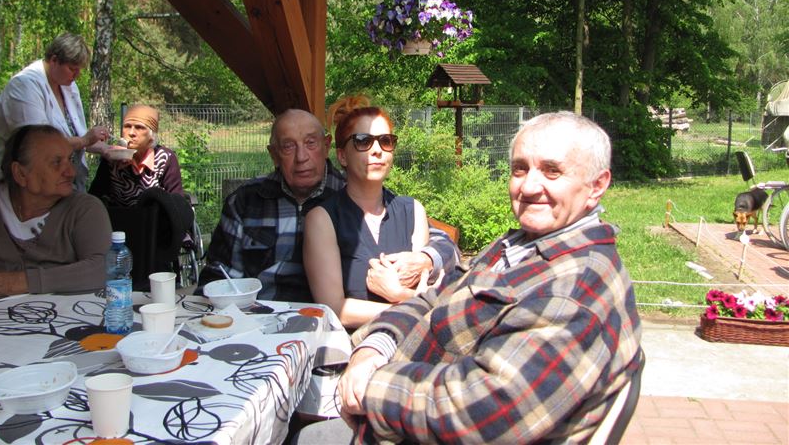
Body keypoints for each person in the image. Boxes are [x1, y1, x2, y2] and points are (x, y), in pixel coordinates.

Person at [330, 112, 642, 444]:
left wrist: (370, 387)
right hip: (398, 409)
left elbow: (484, 413)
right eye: (520, 169)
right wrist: (373, 348)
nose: (529, 187)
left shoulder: (574, 290)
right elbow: (436, 297)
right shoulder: (518, 245)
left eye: (552, 171)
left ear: (597, 186)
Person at [197, 109, 458, 303]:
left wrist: (427, 258)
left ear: (326, 146)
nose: (302, 157)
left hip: (326, 325)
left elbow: (439, 239)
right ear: (274, 155)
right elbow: (218, 277)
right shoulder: (247, 202)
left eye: (310, 143)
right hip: (259, 319)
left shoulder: (351, 193)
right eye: (288, 147)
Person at [304, 101, 437, 329]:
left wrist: (399, 295)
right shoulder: (322, 219)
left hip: (409, 339)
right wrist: (411, 304)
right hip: (349, 344)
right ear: (342, 156)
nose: (377, 150)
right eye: (363, 141)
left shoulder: (413, 211)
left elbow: (425, 287)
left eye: (386, 141)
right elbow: (334, 308)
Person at [0, 125, 112, 297]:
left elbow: (104, 268)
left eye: (70, 159)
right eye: (56, 162)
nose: (71, 172)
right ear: (21, 174)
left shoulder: (84, 209)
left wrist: (14, 283)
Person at [0, 32, 111, 191]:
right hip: (22, 189)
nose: (77, 75)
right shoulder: (24, 86)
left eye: (79, 69)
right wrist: (85, 140)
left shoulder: (67, 86)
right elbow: (39, 145)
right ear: (54, 60)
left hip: (59, 184)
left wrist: (106, 149)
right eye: (72, 69)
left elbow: (76, 136)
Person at [89, 104, 185, 206]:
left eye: (139, 128)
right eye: (127, 126)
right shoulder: (113, 156)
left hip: (154, 216)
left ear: (152, 136)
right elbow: (95, 197)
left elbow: (177, 202)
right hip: (119, 215)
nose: (131, 133)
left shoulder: (164, 158)